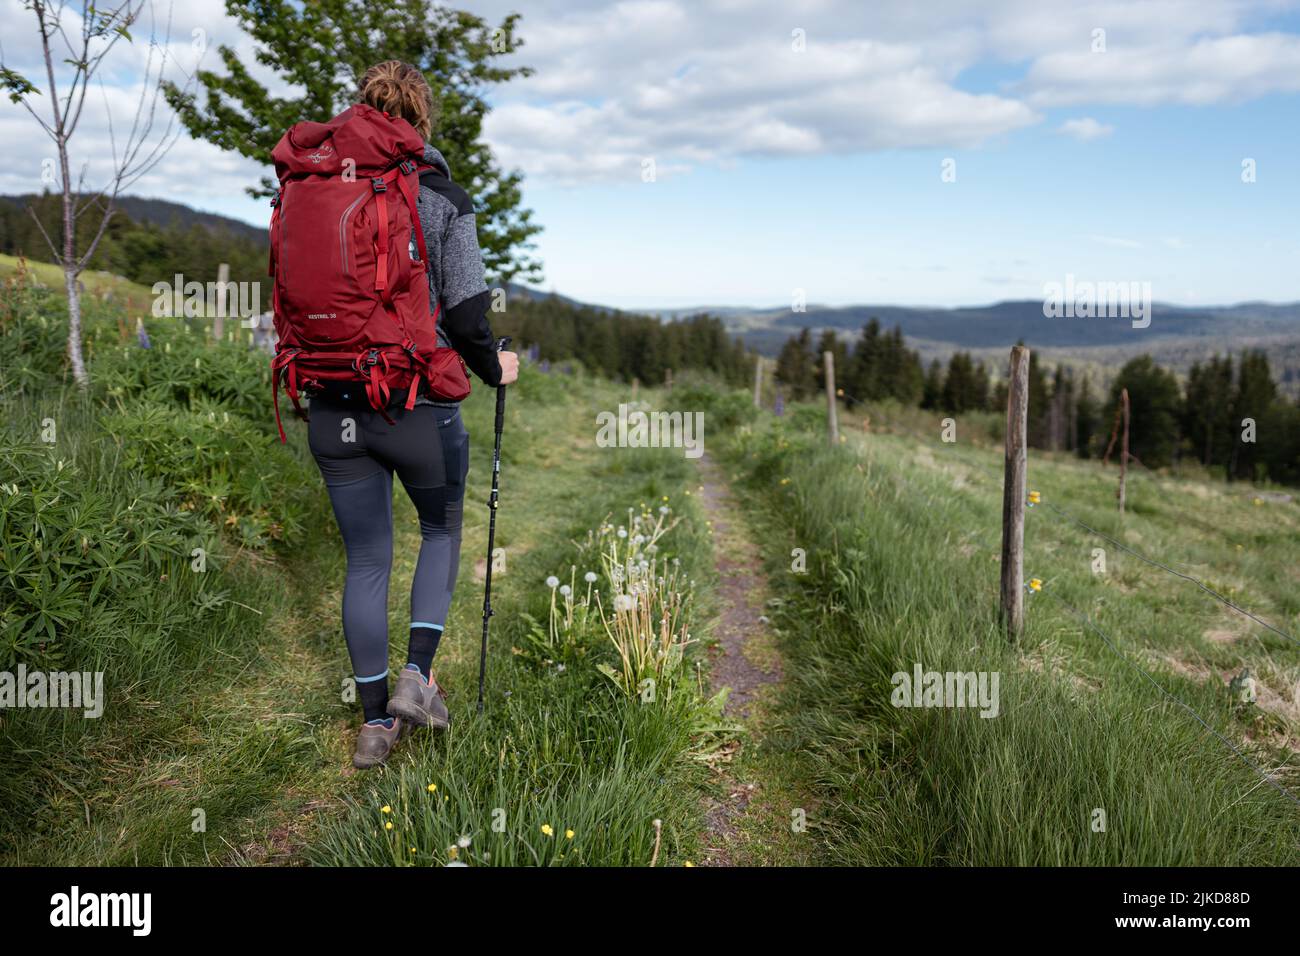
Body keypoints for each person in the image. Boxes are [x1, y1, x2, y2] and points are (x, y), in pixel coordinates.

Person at [304, 60, 519, 768]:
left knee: (365, 558)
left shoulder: (316, 187)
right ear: (423, 120)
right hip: (415, 406)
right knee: (441, 527)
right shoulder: (442, 195)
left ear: (360, 111)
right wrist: (496, 367)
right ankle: (417, 678)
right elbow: (464, 311)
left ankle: (374, 724)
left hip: (331, 403)